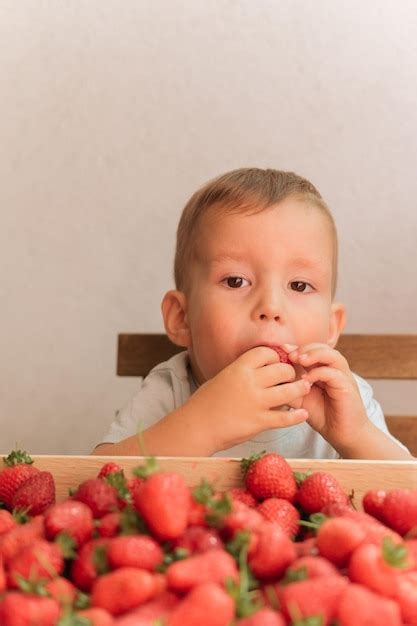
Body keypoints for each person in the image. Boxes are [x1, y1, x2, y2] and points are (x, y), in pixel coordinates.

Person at [93, 168, 410, 459]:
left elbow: (408, 497)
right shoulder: (172, 390)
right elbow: (96, 484)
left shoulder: (342, 397)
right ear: (181, 318)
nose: (270, 307)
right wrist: (202, 424)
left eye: (299, 285)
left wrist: (356, 436)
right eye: (236, 281)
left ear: (331, 327)